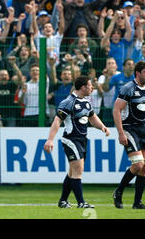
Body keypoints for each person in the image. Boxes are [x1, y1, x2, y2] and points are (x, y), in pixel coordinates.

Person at [44, 76, 110, 209]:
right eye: (90, 85)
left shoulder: (86, 102)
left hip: (82, 140)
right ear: (83, 87)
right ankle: (81, 202)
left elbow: (92, 118)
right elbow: (57, 121)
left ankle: (63, 201)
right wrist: (50, 139)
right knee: (78, 170)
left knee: (72, 172)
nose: (92, 88)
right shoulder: (68, 102)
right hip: (71, 139)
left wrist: (102, 126)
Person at [112, 61, 145, 209]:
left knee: (144, 167)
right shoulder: (128, 88)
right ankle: (118, 191)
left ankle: (137, 203)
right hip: (130, 129)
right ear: (138, 73)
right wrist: (121, 133)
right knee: (138, 164)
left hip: (144, 131)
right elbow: (116, 110)